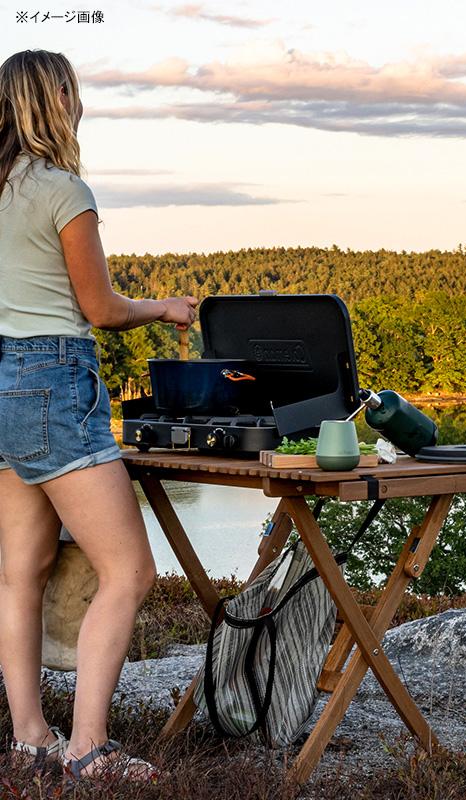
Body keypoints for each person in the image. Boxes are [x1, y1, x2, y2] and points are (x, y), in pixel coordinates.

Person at [0, 50, 198, 779]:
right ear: (57, 100)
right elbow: (101, 309)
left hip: (0, 383)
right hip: (53, 380)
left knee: (20, 574)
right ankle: (88, 746)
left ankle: (30, 737)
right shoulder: (63, 191)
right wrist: (165, 308)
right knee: (130, 571)